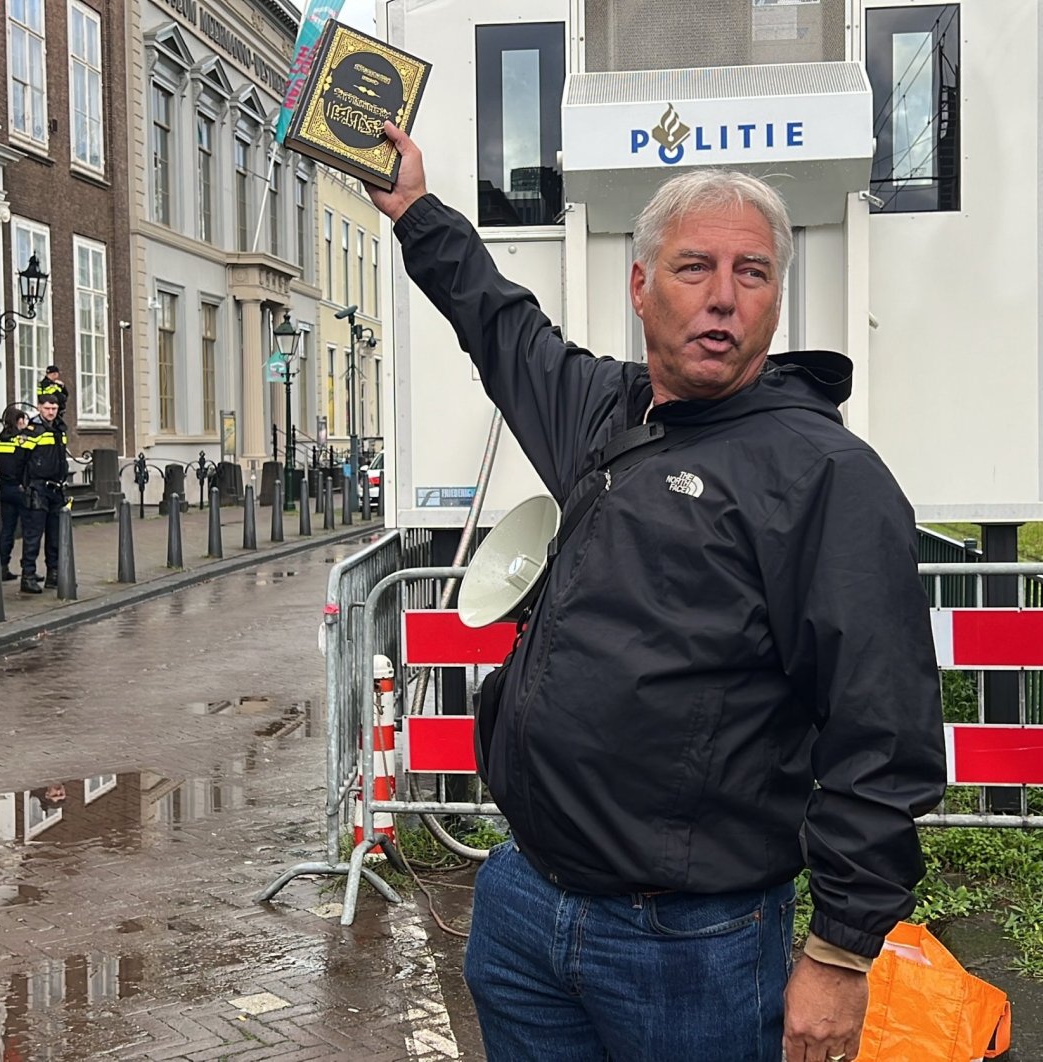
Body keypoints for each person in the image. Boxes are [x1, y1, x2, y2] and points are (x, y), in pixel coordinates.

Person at [369, 124, 945, 1061]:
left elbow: (884, 735)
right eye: (693, 268)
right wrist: (417, 211)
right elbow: (501, 325)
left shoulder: (825, 476)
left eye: (751, 272)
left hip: (692, 945)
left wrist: (840, 952)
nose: (722, 297)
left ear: (776, 298)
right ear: (641, 287)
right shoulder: (604, 413)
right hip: (525, 902)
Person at [17, 394, 69, 594]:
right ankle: (28, 576)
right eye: (47, 408)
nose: (51, 412)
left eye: (54, 408)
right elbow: (20, 460)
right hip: (38, 488)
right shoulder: (32, 431)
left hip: (56, 488)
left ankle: (53, 574)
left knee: (55, 535)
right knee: (33, 535)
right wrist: (25, 485)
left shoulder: (59, 429)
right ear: (39, 407)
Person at [0, 406, 31, 581]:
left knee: (7, 530)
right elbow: (25, 463)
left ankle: (2, 567)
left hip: (5, 488)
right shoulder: (20, 441)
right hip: (20, 488)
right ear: (19, 421)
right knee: (29, 530)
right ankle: (28, 569)